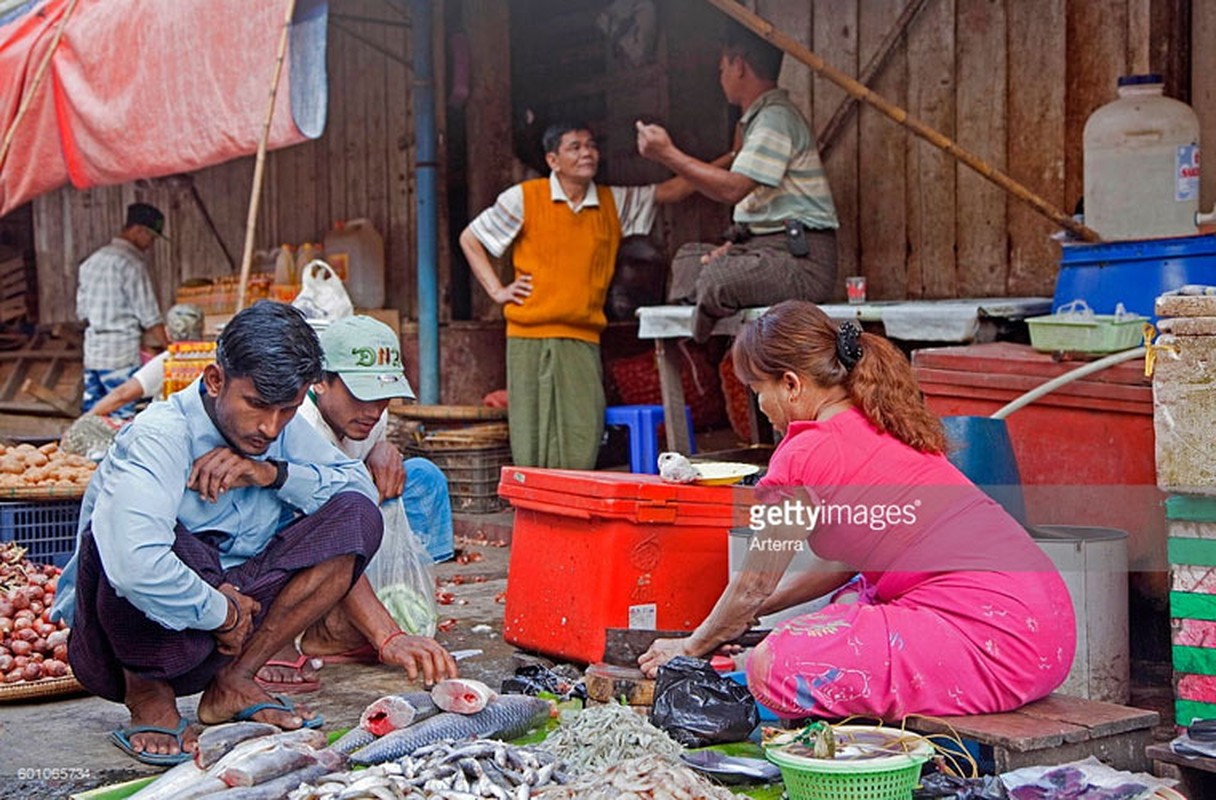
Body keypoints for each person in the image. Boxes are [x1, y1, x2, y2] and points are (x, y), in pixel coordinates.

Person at [50, 301, 456, 766]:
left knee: (354, 516)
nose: (269, 426)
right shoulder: (159, 436)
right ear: (215, 380)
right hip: (130, 635)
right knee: (136, 538)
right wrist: (220, 611)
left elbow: (357, 491)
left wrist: (270, 474)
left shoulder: (279, 433)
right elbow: (133, 567)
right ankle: (147, 694)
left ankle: (235, 680)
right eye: (257, 405)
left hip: (229, 628)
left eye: (286, 409)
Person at [638, 301, 1076, 720]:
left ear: (791, 384)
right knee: (851, 598)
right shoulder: (885, 424)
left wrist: (691, 647)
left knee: (771, 664)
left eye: (759, 392)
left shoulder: (804, 453)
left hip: (994, 646)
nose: (761, 406)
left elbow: (753, 583)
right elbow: (844, 564)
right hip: (1047, 632)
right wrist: (743, 619)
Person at [459, 121, 725, 468]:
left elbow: (671, 191)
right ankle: (538, 508)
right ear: (553, 160)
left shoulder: (610, 202)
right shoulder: (525, 197)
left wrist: (732, 159)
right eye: (575, 146)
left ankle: (573, 509)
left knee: (583, 431)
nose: (587, 152)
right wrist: (497, 290)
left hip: (583, 335)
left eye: (591, 145)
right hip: (528, 335)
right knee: (530, 435)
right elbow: (471, 238)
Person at [264, 314, 454, 682]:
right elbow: (330, 528)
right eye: (361, 396)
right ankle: (323, 632)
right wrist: (388, 636)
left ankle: (395, 599)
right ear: (320, 381)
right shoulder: (297, 426)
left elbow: (359, 463)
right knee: (344, 514)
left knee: (421, 477)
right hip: (289, 545)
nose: (373, 411)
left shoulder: (371, 419)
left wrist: (383, 447)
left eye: (383, 398)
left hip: (346, 521)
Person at [635, 22, 840, 344]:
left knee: (718, 278)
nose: (721, 77)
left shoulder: (775, 119)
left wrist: (667, 154)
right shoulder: (757, 122)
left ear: (739, 66)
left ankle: (702, 341)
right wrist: (735, 246)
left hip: (802, 263)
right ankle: (710, 301)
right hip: (763, 251)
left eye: (722, 68)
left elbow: (733, 189)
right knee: (688, 260)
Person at [76, 202, 170, 414]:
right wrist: (169, 348)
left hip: (93, 351)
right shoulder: (131, 264)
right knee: (121, 416)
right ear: (138, 230)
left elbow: (81, 312)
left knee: (92, 418)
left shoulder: (90, 262)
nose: (151, 243)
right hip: (120, 354)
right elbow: (150, 316)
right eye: (151, 237)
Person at [87, 302, 207, 418]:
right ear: (202, 331)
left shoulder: (166, 361)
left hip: (169, 431)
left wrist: (86, 418)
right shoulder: (217, 358)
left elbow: (122, 394)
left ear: (167, 333)